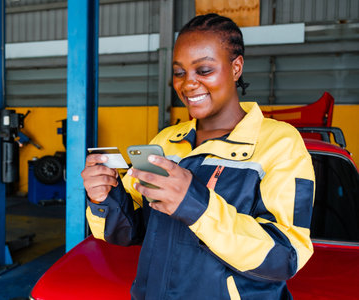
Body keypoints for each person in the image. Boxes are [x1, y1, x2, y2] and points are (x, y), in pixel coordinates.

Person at [82, 13, 315, 300]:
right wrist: (105, 197)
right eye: (179, 72)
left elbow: (285, 257)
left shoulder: (279, 143)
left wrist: (194, 205)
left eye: (203, 70)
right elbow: (134, 230)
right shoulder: (167, 141)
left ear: (236, 67)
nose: (188, 84)